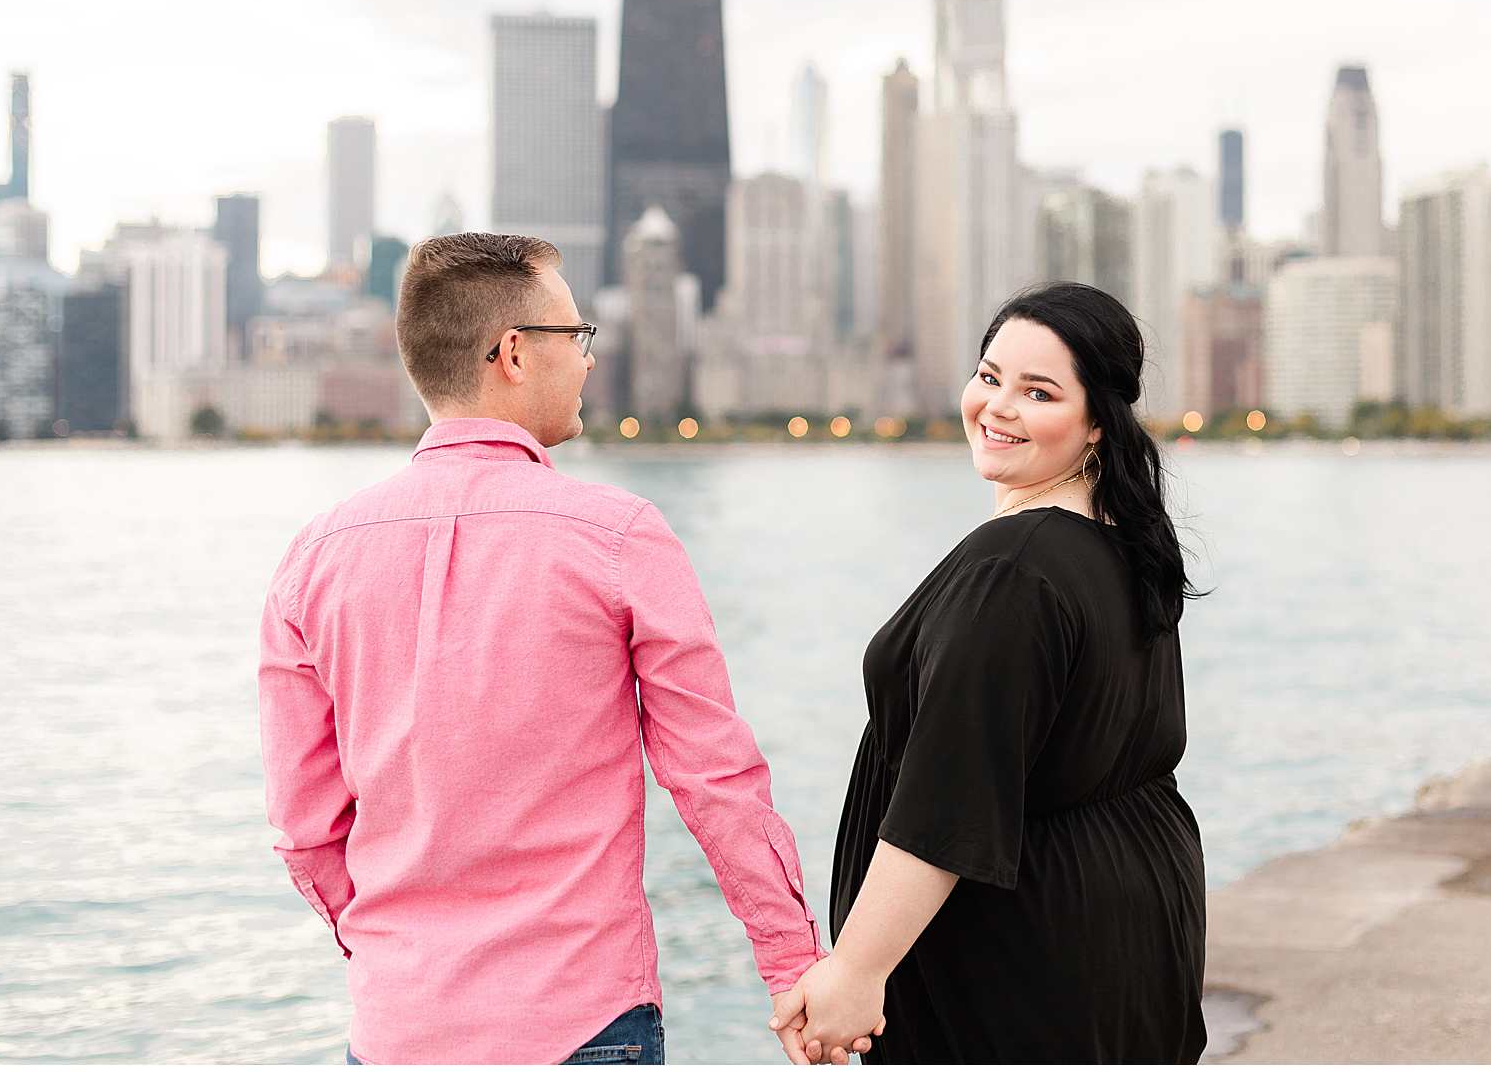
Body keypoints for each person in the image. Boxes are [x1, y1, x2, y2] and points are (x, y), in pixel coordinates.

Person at [258, 233, 869, 1065]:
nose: (587, 361)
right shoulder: (619, 539)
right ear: (512, 353)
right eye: (575, 338)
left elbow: (304, 830)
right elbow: (714, 778)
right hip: (581, 1024)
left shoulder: (313, 558)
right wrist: (794, 966)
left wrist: (394, 956)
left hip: (397, 1030)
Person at [771, 281, 1209, 1064]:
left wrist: (857, 972)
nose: (997, 406)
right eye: (989, 375)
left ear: (1098, 422)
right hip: (1131, 926)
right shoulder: (1120, 546)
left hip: (1022, 950)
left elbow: (950, 800)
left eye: (1038, 392)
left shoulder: (1015, 569)